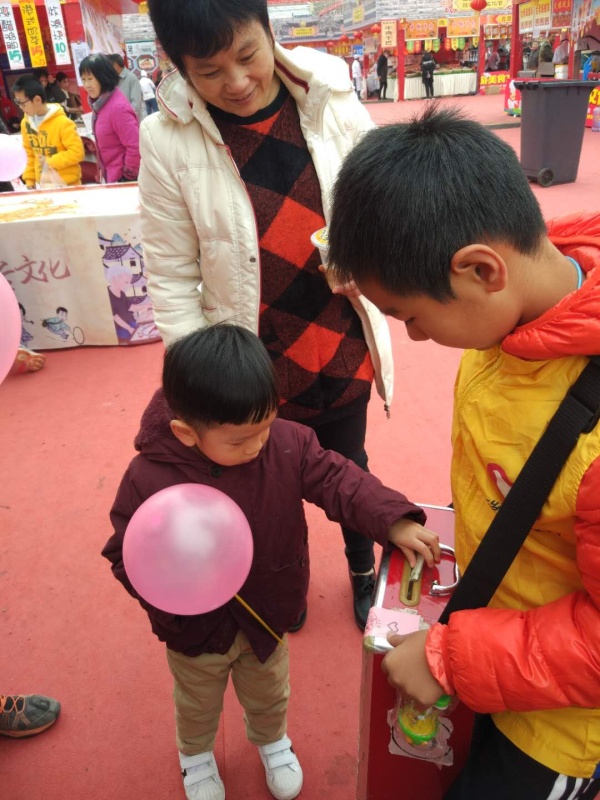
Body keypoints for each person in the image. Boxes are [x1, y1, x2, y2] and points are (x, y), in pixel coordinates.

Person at [327, 106, 600, 800]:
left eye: (412, 316)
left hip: (559, 726)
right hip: (498, 644)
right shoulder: (507, 321)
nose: (416, 337)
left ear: (481, 269)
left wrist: (453, 658)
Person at [138, 0, 395, 631]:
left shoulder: (328, 92)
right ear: (178, 67)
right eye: (208, 71)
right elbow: (171, 274)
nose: (236, 82)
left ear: (267, 31)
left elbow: (385, 199)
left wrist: (366, 256)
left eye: (247, 55)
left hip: (337, 334)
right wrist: (202, 379)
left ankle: (362, 569)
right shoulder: (165, 138)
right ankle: (284, 581)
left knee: (347, 464)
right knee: (269, 483)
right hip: (252, 357)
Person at [103, 323, 439, 800]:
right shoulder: (147, 477)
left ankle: (272, 740)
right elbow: (126, 552)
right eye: (241, 440)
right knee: (197, 700)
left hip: (269, 608)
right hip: (195, 629)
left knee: (269, 690)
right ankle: (195, 755)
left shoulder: (286, 443)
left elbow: (340, 480)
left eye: (265, 427)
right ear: (186, 433)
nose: (257, 445)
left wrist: (392, 519)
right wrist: (171, 604)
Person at [13, 76, 84, 189]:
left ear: (37, 100)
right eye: (18, 103)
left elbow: (77, 152)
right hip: (44, 185)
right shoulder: (25, 123)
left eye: (22, 103)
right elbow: (29, 153)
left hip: (69, 185)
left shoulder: (62, 122)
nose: (21, 107)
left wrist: (50, 162)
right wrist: (29, 180)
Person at [79, 54, 140, 184]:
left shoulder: (117, 107)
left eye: (90, 79)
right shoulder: (100, 104)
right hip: (111, 176)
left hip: (122, 180)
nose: (87, 85)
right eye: (83, 79)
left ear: (103, 77)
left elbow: (135, 145)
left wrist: (127, 177)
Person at [107, 53, 144, 121]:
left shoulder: (131, 78)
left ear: (115, 66)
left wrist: (125, 118)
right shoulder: (114, 79)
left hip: (130, 121)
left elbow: (136, 104)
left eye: (109, 68)